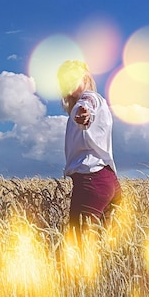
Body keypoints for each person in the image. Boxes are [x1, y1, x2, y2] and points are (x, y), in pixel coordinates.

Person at [57, 60, 122, 241]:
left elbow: (86, 107)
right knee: (101, 251)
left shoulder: (89, 99)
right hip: (108, 182)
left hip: (91, 183)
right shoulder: (93, 102)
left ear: (85, 77)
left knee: (77, 249)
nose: (67, 86)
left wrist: (85, 114)